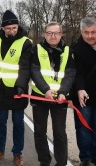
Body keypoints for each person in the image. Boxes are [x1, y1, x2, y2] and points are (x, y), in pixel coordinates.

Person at [0, 10, 32, 166]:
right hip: (0, 89)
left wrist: (21, 85)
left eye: (14, 27)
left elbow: (25, 67)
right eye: (8, 28)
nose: (12, 31)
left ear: (18, 26)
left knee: (18, 123)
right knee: (0, 122)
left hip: (17, 90)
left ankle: (17, 153)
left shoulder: (26, 43)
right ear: (2, 28)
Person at [30, 22, 75, 166]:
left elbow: (70, 74)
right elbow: (34, 71)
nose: (53, 36)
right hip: (40, 96)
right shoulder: (36, 49)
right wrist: (45, 90)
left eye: (56, 33)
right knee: (39, 132)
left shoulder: (68, 51)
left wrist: (63, 92)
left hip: (60, 98)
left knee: (60, 134)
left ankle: (61, 163)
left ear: (61, 34)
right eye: (49, 33)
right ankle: (44, 161)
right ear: (44, 34)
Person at [71, 17, 96, 166]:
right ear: (81, 32)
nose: (90, 36)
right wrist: (79, 89)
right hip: (82, 95)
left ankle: (95, 156)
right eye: (86, 32)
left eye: (93, 32)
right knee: (83, 126)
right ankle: (84, 157)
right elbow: (76, 72)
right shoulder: (76, 48)